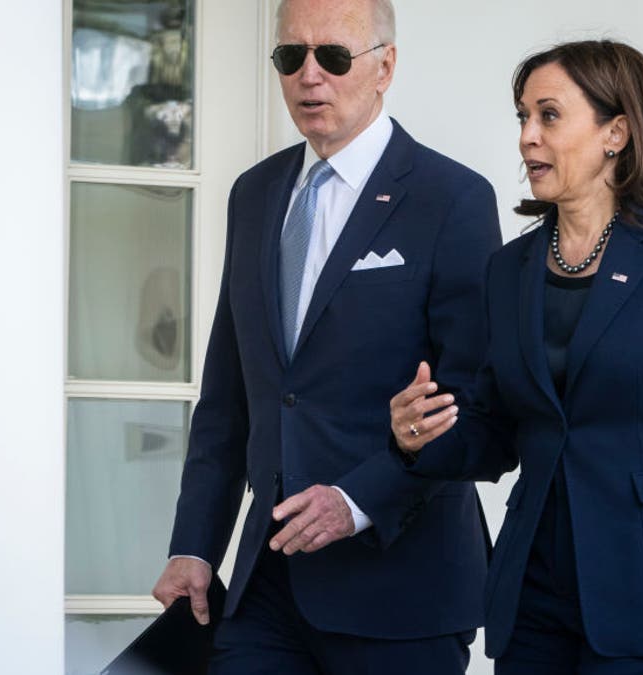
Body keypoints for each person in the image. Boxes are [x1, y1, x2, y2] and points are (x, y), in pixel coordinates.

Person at [390, 40, 643, 675]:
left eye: (549, 116)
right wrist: (422, 438)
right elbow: (498, 432)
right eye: (523, 117)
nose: (527, 137)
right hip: (533, 593)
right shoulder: (509, 270)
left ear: (617, 132)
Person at [151, 0, 501, 672]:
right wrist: (194, 545)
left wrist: (357, 499)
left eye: (334, 57)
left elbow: (471, 402)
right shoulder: (253, 195)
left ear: (384, 68)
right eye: (291, 56)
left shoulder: (451, 199)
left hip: (402, 592)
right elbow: (231, 395)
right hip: (268, 588)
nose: (310, 76)